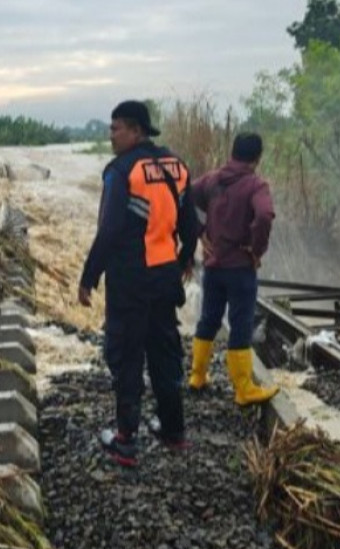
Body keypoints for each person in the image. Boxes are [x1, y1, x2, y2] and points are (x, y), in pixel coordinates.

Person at [78, 100, 201, 467]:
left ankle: (125, 441)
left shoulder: (121, 171)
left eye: (115, 128)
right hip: (164, 278)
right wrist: (184, 261)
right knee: (165, 351)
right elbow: (190, 226)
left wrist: (89, 277)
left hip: (130, 281)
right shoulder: (176, 167)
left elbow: (111, 230)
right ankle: (174, 431)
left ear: (135, 130)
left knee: (127, 353)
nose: (111, 135)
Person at [185, 132, 278, 405]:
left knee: (209, 319)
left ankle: (197, 375)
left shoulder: (213, 180)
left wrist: (200, 230)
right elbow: (263, 216)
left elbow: (184, 195)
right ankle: (244, 389)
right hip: (240, 267)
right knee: (241, 323)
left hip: (213, 267)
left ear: (233, 153)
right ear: (257, 158)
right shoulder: (256, 185)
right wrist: (256, 249)